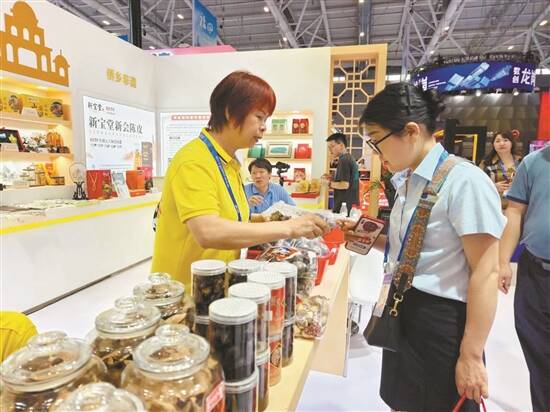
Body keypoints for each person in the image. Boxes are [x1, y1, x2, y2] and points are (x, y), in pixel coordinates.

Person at [344, 82, 505, 411]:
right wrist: (367, 238)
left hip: (440, 322)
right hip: (402, 310)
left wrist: (471, 355)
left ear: (411, 131)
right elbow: (411, 247)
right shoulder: (408, 181)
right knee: (402, 402)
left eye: (377, 140)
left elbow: (487, 272)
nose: (376, 151)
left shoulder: (465, 181)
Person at [152, 71, 328, 290]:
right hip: (182, 293)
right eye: (259, 117)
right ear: (230, 111)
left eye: (266, 120)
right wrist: (288, 227)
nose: (264, 127)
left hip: (215, 286)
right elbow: (207, 231)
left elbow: (230, 218)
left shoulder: (229, 163)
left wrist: (264, 220)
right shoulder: (194, 160)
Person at [498, 145, 550, 412]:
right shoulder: (532, 163)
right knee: (539, 356)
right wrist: (503, 261)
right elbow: (515, 212)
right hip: (535, 272)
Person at [478, 131, 522, 208]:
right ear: (493, 144)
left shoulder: (521, 162)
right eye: (497, 141)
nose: (501, 143)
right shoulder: (486, 163)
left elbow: (530, 184)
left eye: (505, 140)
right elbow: (477, 185)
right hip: (492, 207)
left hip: (517, 207)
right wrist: (493, 187)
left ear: (512, 143)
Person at [326, 133, 359, 215]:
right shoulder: (349, 157)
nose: (330, 150)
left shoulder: (344, 160)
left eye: (332, 146)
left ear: (341, 145)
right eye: (329, 147)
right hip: (349, 204)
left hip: (343, 207)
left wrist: (328, 183)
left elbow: (344, 185)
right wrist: (332, 178)